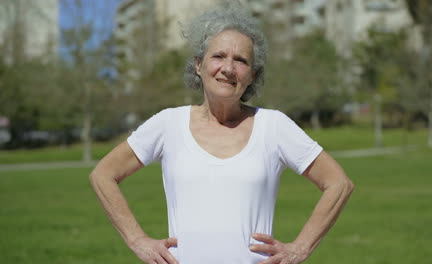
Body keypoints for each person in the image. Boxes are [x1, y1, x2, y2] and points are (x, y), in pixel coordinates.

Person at [89, 3, 354, 264]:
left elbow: (338, 184)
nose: (228, 68)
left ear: (252, 75)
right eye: (218, 56)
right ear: (198, 65)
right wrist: (137, 240)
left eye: (240, 60)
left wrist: (300, 249)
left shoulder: (273, 126)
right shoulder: (168, 124)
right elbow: (103, 175)